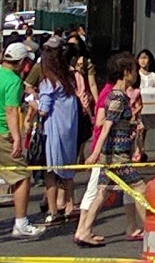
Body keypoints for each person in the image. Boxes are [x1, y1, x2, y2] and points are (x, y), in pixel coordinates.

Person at [74, 52, 143, 247]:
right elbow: (106, 125)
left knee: (102, 192)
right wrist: (95, 154)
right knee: (140, 188)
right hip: (116, 156)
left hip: (111, 154)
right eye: (134, 70)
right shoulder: (118, 97)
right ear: (125, 72)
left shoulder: (116, 95)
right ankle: (154, 233)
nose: (136, 74)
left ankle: (85, 231)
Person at [0, 41, 42, 239]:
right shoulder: (13, 81)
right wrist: (17, 138)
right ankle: (21, 223)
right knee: (22, 176)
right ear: (19, 62)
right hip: (3, 134)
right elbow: (10, 111)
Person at [37, 43, 79, 224]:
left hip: (53, 133)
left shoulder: (49, 83)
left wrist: (33, 103)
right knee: (68, 171)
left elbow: (43, 110)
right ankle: (70, 205)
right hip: (69, 131)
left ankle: (53, 210)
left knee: (51, 173)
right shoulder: (68, 82)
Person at [136, 49, 155, 159]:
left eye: (145, 58)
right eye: (141, 58)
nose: (143, 61)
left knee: (144, 128)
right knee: (138, 128)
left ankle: (140, 149)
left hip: (149, 105)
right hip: (138, 105)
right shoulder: (136, 74)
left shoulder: (154, 76)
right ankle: (139, 150)